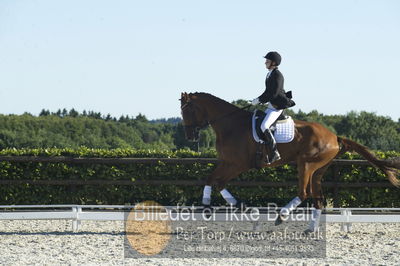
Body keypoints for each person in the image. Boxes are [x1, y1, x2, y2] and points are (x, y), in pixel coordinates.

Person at [251, 51, 295, 164]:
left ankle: (275, 153)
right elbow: (267, 91)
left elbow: (274, 93)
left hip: (277, 106)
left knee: (264, 125)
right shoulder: (269, 74)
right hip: (271, 105)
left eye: (267, 61)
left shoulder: (277, 75)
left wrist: (260, 100)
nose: (265, 62)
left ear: (274, 63)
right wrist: (257, 99)